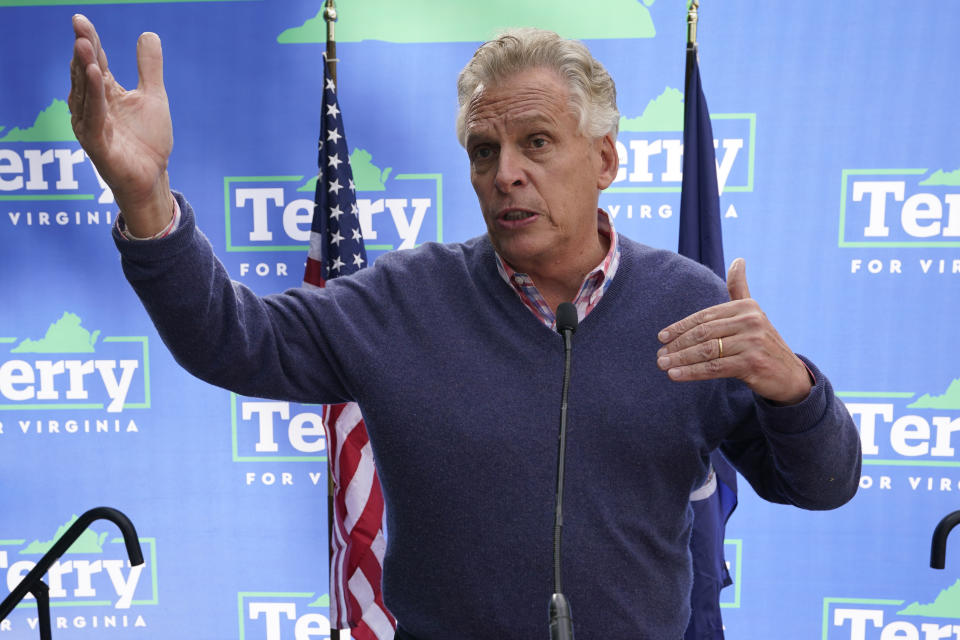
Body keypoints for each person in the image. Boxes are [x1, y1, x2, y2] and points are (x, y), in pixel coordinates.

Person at [69, 15, 861, 639]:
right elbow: (230, 339)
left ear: (607, 159)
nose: (505, 173)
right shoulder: (406, 300)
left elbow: (824, 485)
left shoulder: (686, 303)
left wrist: (795, 388)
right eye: (485, 151)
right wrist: (148, 200)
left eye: (537, 143)